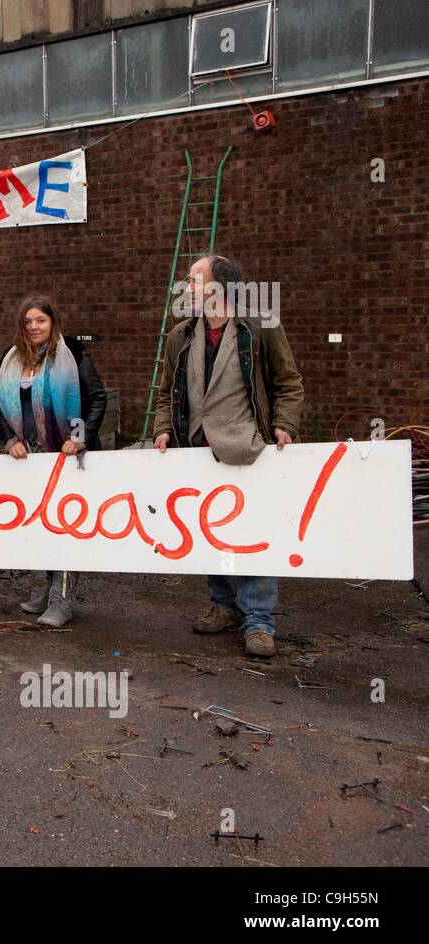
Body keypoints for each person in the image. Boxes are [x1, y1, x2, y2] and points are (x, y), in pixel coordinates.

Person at [153, 254, 304, 658]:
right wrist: (163, 428)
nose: (187, 288)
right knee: (208, 530)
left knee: (253, 533)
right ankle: (223, 604)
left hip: (247, 447)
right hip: (196, 450)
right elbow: (167, 392)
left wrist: (284, 425)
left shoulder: (260, 327)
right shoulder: (181, 335)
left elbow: (288, 382)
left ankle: (258, 620)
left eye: (194, 280)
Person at [0, 295, 107, 627]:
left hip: (69, 457)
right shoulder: (10, 359)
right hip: (32, 458)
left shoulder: (73, 354)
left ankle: (62, 600)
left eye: (40, 320)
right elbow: (1, 406)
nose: (34, 326)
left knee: (67, 526)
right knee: (41, 525)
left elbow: (96, 398)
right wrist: (10, 439)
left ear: (53, 321)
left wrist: (78, 436)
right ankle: (47, 590)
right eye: (28, 321)